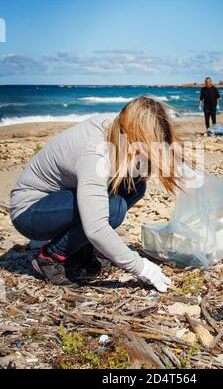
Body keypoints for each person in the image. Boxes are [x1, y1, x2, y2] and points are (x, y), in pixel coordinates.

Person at [10, 97, 183, 292]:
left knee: (135, 186)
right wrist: (140, 267)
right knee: (113, 208)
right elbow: (97, 228)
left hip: (59, 200)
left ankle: (78, 248)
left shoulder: (117, 124)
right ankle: (50, 257)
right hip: (30, 212)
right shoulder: (95, 153)